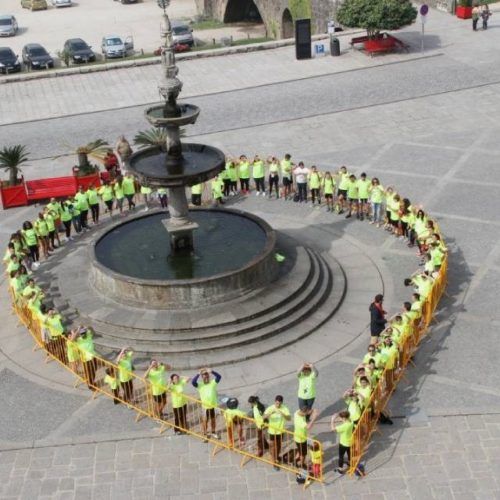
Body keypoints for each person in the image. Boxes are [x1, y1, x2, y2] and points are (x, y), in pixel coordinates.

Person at [192, 367, 222, 440]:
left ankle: (213, 432)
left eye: (207, 376)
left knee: (213, 420)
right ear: (202, 377)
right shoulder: (200, 385)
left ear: (209, 377)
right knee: (205, 421)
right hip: (205, 407)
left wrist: (212, 371)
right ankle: (205, 434)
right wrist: (198, 374)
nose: (206, 378)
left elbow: (219, 377)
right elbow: (193, 382)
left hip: (213, 406)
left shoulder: (213, 383)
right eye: (204, 376)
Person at [264, 395, 291, 471]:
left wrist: (283, 414)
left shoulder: (284, 408)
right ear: (274, 401)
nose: (277, 405)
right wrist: (270, 413)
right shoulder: (270, 408)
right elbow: (263, 417)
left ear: (281, 403)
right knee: (273, 446)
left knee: (278, 446)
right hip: (272, 431)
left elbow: (289, 418)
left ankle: (276, 457)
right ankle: (274, 463)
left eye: (279, 403)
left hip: (280, 431)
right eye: (276, 403)